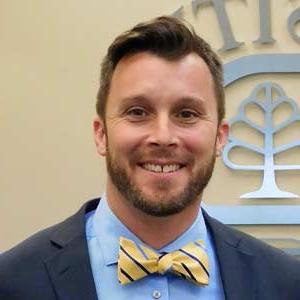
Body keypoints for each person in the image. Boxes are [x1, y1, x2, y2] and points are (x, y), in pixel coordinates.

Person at [0, 16, 299, 300]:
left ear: (220, 137)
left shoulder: (285, 283)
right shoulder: (12, 282)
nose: (163, 136)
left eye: (186, 114)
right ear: (101, 134)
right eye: (137, 112)